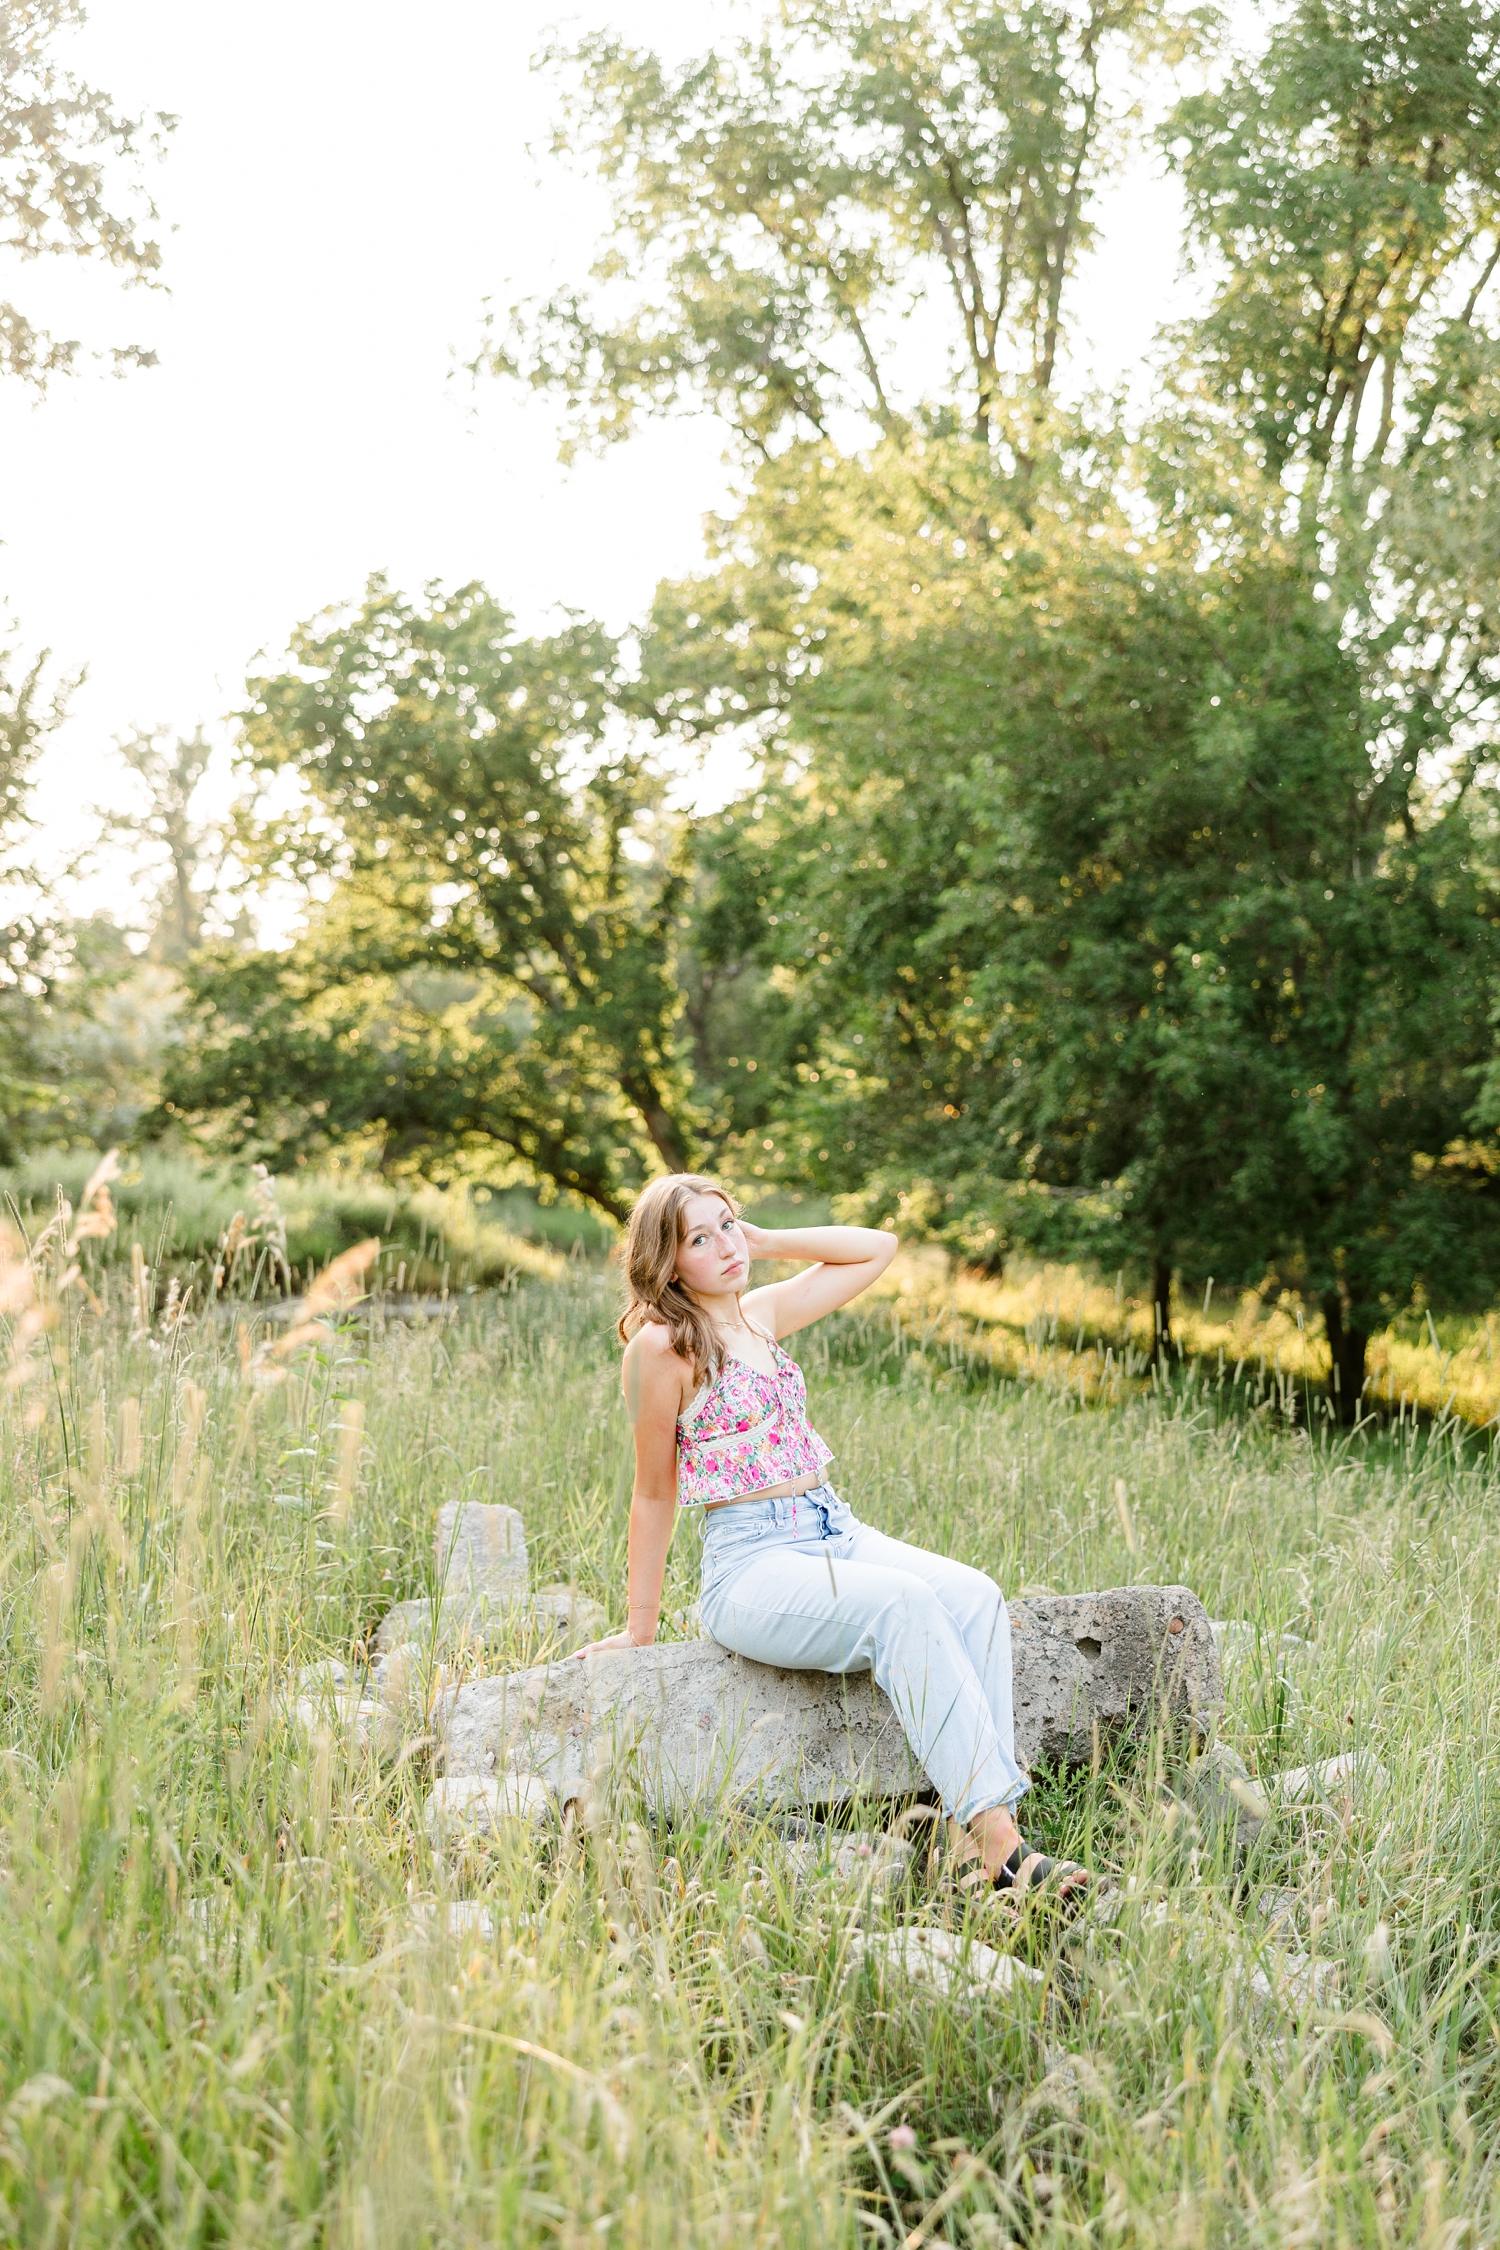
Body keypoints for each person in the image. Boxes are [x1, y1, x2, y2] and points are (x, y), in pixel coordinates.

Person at [576, 1172, 1089, 1898]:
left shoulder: (759, 1315)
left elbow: (876, 1248)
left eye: (729, 1224)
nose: (725, 1246)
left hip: (833, 1527)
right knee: (902, 1605)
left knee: (976, 1597)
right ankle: (1003, 1849)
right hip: (751, 1561)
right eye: (700, 1237)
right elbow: (653, 1492)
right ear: (666, 1259)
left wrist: (770, 1240)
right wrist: (639, 1626)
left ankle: (960, 1836)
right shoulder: (660, 1348)